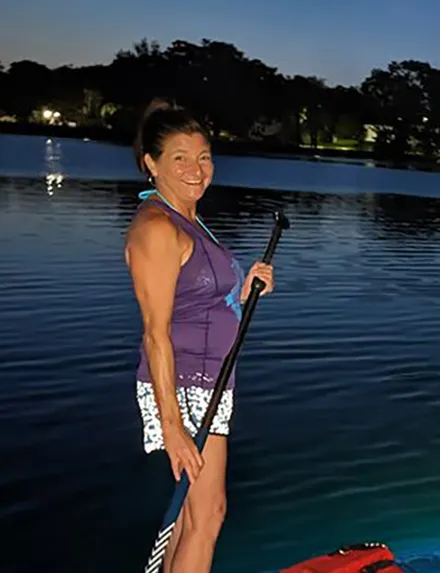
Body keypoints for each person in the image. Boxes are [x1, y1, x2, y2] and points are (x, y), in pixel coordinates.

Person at [124, 98, 275, 572]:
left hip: (210, 382)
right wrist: (171, 424)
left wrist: (244, 289)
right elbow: (155, 333)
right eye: (180, 159)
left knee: (193, 515)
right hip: (185, 386)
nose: (197, 169)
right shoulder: (156, 228)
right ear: (151, 164)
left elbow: (200, 299)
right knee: (208, 514)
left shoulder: (187, 218)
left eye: (204, 156)